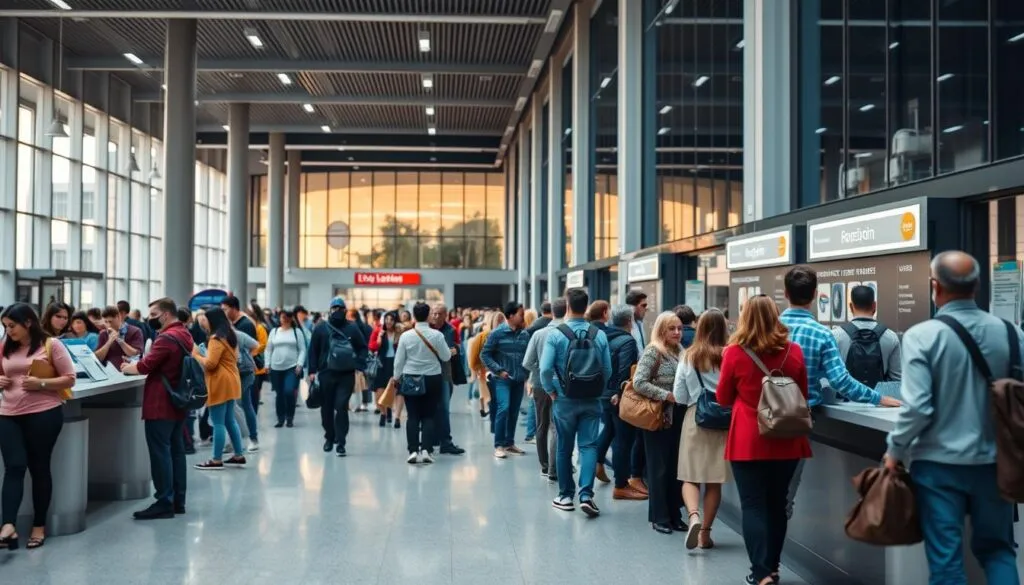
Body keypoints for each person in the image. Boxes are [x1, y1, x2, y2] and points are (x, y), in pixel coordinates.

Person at [884, 251, 1020, 584]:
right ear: (976, 285)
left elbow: (917, 408)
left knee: (946, 560)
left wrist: (895, 450)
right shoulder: (1012, 333)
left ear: (935, 286)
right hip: (997, 464)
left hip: (939, 466)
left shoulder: (922, 335)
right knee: (999, 551)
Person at [779, 266, 900, 520]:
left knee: (758, 496)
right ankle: (773, 544)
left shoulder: (765, 329)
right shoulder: (822, 334)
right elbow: (840, 381)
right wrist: (878, 398)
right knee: (784, 497)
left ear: (785, 293)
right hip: (797, 421)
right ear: (815, 294)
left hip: (757, 417)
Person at [717, 295, 811, 585]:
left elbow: (723, 397)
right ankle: (773, 567)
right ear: (776, 315)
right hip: (786, 438)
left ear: (745, 318)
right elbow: (803, 394)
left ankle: (761, 574)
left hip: (749, 439)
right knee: (777, 505)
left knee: (753, 505)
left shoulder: (734, 353)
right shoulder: (794, 351)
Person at [0, 303, 77, 550]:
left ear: (28, 322)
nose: (8, 331)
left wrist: (41, 383)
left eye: (12, 326)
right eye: (5, 326)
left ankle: (39, 526)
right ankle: (8, 525)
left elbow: (70, 378)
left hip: (43, 414)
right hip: (8, 414)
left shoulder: (51, 345)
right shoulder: (5, 346)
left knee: (39, 467)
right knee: (14, 467)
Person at [540, 289, 612, 518]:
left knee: (564, 446)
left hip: (564, 400)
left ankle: (565, 496)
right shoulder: (599, 335)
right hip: (592, 399)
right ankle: (586, 495)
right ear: (586, 306)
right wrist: (597, 389)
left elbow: (545, 369)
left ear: (567, 306)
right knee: (588, 446)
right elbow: (608, 370)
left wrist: (551, 390)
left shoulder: (556, 334)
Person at [121, 298, 192, 520]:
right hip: (178, 401)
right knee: (176, 452)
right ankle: (178, 500)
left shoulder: (166, 338)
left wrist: (127, 367)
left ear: (166, 315)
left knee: (160, 453)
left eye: (153, 314)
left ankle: (164, 501)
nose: (150, 319)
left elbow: (145, 366)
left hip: (160, 402)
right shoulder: (184, 333)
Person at [673, 309, 732, 550]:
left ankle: (693, 516)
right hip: (723, 422)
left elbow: (679, 396)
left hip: (695, 418)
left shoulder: (688, 356)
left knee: (690, 477)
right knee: (714, 481)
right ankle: (705, 534)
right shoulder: (730, 355)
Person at [632, 311, 686, 535]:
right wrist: (665, 395)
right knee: (658, 468)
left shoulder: (681, 351)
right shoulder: (653, 351)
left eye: (679, 328)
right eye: (672, 328)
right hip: (657, 417)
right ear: (662, 330)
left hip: (678, 417)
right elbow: (638, 382)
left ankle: (674, 514)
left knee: (675, 467)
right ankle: (659, 516)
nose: (677, 332)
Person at [391, 302, 451, 465]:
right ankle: (426, 450)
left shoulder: (406, 336)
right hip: (432, 378)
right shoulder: (437, 335)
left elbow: (399, 361)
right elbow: (446, 357)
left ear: (414, 316)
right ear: (428, 315)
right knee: (429, 415)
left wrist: (396, 377)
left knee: (412, 416)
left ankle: (412, 451)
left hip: (411, 378)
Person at [308, 297, 368, 457]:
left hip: (346, 374)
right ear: (330, 310)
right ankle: (329, 437)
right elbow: (313, 350)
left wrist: (359, 364)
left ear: (345, 310)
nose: (337, 311)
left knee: (341, 407)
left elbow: (363, 347)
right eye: (334, 308)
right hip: (326, 373)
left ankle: (341, 442)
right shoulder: (321, 328)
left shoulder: (352, 328)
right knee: (326, 408)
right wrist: (312, 371)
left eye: (340, 309)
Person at [190, 308, 246, 470]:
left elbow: (211, 364)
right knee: (229, 420)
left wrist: (196, 354)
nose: (204, 322)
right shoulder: (230, 335)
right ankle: (238, 454)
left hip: (220, 382)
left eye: (206, 319)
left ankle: (216, 459)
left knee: (218, 422)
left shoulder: (216, 339)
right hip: (232, 380)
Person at [600, 304, 645, 500]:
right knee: (623, 441)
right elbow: (625, 370)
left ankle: (602, 466)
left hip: (602, 393)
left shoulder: (603, 336)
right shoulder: (628, 341)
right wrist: (619, 392)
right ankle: (621, 485)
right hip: (617, 396)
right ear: (629, 321)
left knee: (612, 433)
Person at [523, 299, 567, 481]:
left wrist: (541, 371)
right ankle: (555, 467)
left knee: (542, 425)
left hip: (540, 385)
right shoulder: (567, 333)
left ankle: (545, 465)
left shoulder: (538, 334)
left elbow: (527, 362)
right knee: (557, 426)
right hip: (561, 385)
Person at [481, 302, 531, 459]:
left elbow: (528, 356)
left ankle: (509, 443)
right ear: (511, 316)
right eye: (520, 314)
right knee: (504, 408)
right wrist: (498, 370)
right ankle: (499, 445)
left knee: (514, 411)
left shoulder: (524, 334)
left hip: (519, 379)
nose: (523, 317)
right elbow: (485, 354)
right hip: (502, 379)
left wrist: (526, 373)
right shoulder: (497, 333)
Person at [831, 284, 902, 385]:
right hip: (879, 395)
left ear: (851, 306)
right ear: (874, 306)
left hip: (845, 395)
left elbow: (832, 378)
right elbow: (896, 381)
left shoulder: (835, 336)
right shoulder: (891, 337)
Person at [429, 304, 465, 455]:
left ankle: (445, 441)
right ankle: (431, 439)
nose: (436, 316)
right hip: (428, 371)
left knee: (443, 407)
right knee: (429, 407)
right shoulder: (426, 329)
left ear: (445, 315)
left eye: (439, 314)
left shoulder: (451, 330)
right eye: (434, 313)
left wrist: (455, 350)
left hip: (445, 372)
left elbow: (457, 347)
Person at [266, 309, 307, 429]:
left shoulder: (296, 332)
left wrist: (299, 364)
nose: (285, 319)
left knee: (289, 391)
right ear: (279, 318)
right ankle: (280, 418)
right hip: (276, 367)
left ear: (291, 318)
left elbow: (302, 349)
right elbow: (268, 349)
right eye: (282, 317)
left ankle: (289, 417)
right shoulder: (274, 332)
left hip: (292, 367)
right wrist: (267, 364)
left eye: (287, 317)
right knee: (279, 394)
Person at [369, 310, 403, 427]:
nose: (389, 322)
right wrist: (379, 338)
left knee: (397, 390)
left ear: (395, 321)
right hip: (382, 363)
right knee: (380, 389)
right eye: (387, 319)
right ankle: (383, 413)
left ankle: (396, 417)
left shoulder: (399, 333)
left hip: (396, 363)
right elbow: (371, 347)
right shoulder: (379, 331)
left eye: (391, 320)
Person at [469, 311, 504, 422]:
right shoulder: (483, 336)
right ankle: (487, 410)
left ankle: (487, 411)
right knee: (487, 394)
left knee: (490, 395)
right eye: (498, 321)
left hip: (494, 371)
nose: (500, 323)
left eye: (502, 320)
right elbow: (475, 355)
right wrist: (476, 369)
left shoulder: (505, 335)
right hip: (485, 371)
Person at [95, 304, 145, 369]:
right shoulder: (103, 334)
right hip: (108, 370)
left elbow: (134, 354)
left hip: (129, 370)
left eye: (111, 321)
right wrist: (109, 342)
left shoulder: (135, 331)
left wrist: (119, 340)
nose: (109, 325)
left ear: (118, 317)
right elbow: (98, 358)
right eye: (106, 322)